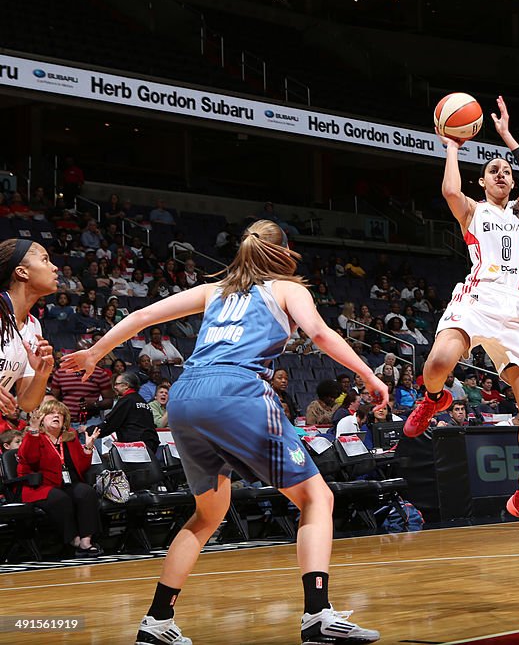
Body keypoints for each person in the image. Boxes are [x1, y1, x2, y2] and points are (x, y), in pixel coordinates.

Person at [61, 219, 387, 645]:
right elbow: (321, 333)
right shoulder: (288, 289)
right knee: (316, 497)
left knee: (208, 513)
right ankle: (317, 615)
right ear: (286, 254)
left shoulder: (217, 290)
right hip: (235, 390)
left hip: (184, 395)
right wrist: (368, 375)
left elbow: (142, 315)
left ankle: (158, 621)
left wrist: (96, 350)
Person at [403, 97, 519, 534]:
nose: (502, 172)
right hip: (478, 300)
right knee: (437, 365)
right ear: (483, 182)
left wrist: (506, 136)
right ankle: (434, 399)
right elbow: (449, 191)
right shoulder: (474, 210)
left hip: (516, 313)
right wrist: (451, 144)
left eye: (506, 169)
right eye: (493, 170)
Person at [19, 399, 103, 557]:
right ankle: (74, 540)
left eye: (60, 414)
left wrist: (89, 447)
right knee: (60, 498)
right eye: (51, 413)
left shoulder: (70, 438)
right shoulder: (35, 436)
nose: (57, 416)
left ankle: (86, 541)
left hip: (66, 484)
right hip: (39, 487)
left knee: (86, 492)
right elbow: (30, 458)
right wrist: (34, 431)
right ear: (42, 418)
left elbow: (82, 468)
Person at [0, 239, 58, 417]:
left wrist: (42, 374)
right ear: (22, 272)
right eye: (45, 260)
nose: (54, 267)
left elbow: (27, 403)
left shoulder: (34, 326)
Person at [95, 372, 161, 455]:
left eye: (117, 384)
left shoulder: (126, 401)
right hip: (150, 443)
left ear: (126, 385)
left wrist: (90, 431)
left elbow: (110, 423)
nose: (115, 387)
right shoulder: (142, 400)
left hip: (135, 446)